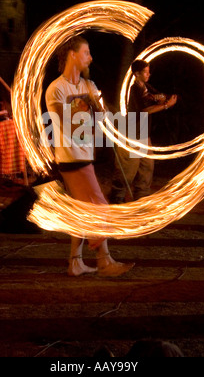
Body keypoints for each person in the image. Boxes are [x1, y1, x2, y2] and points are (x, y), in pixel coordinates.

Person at [45, 35, 135, 277]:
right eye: (86, 52)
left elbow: (102, 120)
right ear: (73, 55)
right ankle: (104, 260)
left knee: (83, 211)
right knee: (100, 207)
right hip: (70, 157)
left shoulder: (89, 86)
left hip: (85, 155)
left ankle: (75, 262)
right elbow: (71, 125)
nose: (91, 58)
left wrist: (100, 110)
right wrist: (90, 108)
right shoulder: (56, 89)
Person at [110, 59, 177, 203]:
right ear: (136, 74)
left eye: (148, 71)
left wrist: (162, 99)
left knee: (147, 165)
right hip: (132, 133)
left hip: (143, 133)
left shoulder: (146, 87)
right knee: (129, 168)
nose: (148, 74)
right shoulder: (134, 89)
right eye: (145, 72)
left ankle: (141, 195)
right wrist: (166, 105)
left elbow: (156, 97)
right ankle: (117, 196)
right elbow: (145, 110)